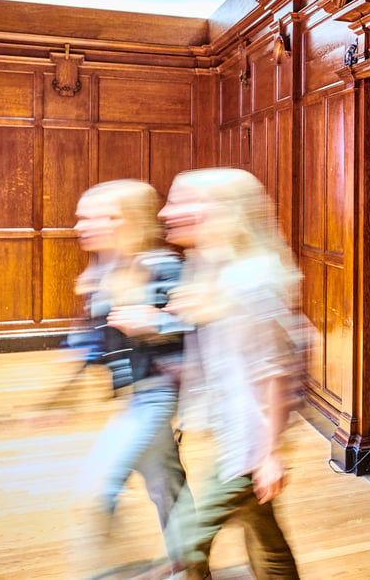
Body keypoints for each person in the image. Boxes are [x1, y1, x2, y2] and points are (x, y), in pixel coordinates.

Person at [159, 168, 303, 580]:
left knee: (188, 544)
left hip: (250, 445)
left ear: (220, 211)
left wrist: (268, 453)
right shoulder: (213, 268)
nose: (167, 212)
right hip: (234, 439)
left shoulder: (250, 277)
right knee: (266, 541)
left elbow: (274, 370)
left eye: (181, 201)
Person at [71, 179, 193, 578]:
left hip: (158, 393)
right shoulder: (106, 269)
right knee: (166, 485)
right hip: (136, 394)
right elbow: (98, 336)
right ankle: (190, 565)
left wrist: (153, 321)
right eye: (81, 218)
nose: (81, 226)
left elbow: (195, 321)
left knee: (101, 484)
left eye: (97, 217)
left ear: (128, 221)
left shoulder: (162, 265)